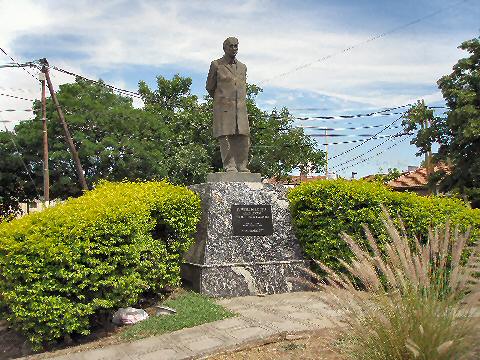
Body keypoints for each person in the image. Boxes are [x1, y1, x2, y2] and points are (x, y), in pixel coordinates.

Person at [206, 37, 250, 172]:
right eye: (231, 46)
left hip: (240, 107)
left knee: (243, 136)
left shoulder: (243, 67)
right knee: (226, 136)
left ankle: (242, 165)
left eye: (236, 46)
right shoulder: (216, 65)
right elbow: (210, 87)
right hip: (223, 107)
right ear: (224, 48)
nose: (234, 49)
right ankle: (230, 165)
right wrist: (222, 99)